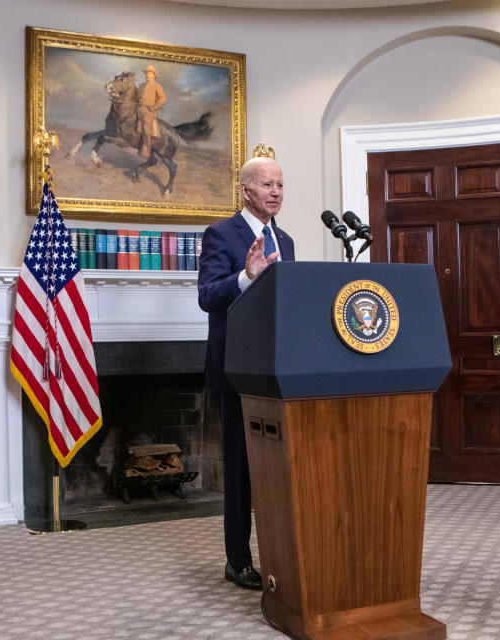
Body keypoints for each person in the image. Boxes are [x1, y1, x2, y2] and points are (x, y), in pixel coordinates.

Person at [197, 156, 295, 590]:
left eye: (280, 185)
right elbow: (207, 296)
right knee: (239, 470)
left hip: (276, 369)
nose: (275, 191)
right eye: (267, 184)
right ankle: (237, 561)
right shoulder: (221, 234)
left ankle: (281, 554)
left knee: (275, 468)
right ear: (246, 190)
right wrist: (245, 276)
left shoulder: (286, 241)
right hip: (236, 369)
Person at [137, 64, 166, 158]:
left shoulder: (157, 86)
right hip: (139, 108)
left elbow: (163, 98)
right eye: (146, 73)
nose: (147, 75)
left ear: (154, 75)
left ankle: (146, 148)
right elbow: (136, 97)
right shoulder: (141, 86)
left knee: (146, 127)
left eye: (149, 73)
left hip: (150, 111)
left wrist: (153, 108)